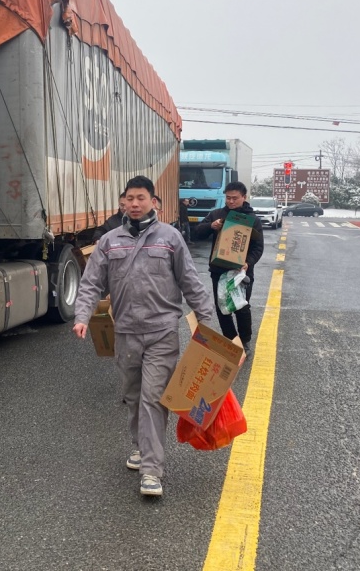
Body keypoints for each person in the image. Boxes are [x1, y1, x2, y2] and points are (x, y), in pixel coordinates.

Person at [73, 175, 213, 497]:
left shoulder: (170, 238)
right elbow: (92, 283)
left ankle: (152, 470)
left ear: (153, 201)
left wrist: (205, 325)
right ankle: (139, 445)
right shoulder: (110, 241)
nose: (135, 204)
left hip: (162, 331)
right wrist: (82, 316)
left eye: (141, 198)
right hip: (125, 333)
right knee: (133, 396)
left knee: (153, 398)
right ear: (123, 202)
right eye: (129, 199)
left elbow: (191, 282)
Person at [193, 182, 264, 360]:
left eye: (235, 198)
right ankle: (232, 341)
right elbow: (196, 233)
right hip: (219, 270)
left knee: (241, 306)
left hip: (242, 272)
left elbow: (258, 247)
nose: (231, 201)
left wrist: (249, 262)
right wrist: (211, 226)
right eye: (228, 198)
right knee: (222, 308)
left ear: (244, 197)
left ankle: (245, 342)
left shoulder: (252, 220)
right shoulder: (217, 215)